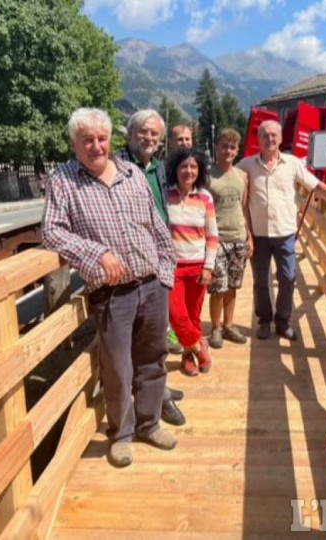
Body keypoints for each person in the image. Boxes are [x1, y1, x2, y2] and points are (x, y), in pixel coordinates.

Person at [42, 107, 177, 467]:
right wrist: (97, 254)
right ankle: (121, 434)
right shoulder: (64, 181)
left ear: (110, 140)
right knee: (118, 367)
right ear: (74, 144)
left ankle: (150, 423)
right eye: (87, 140)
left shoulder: (132, 173)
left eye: (102, 138)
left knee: (153, 358)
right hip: (112, 292)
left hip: (151, 284)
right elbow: (52, 231)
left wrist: (166, 274)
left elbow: (156, 225)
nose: (97, 146)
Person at [115, 109, 187, 427]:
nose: (148, 138)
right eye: (143, 132)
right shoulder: (118, 166)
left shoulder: (156, 167)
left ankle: (159, 389)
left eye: (155, 134)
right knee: (136, 339)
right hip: (129, 263)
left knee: (155, 335)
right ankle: (155, 400)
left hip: (157, 259)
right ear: (130, 134)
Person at [237, 120, 326, 342]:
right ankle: (265, 321)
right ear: (259, 139)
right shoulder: (246, 165)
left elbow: (315, 185)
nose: (270, 140)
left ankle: (283, 321)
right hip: (258, 234)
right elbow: (227, 178)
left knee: (288, 278)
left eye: (274, 136)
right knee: (260, 281)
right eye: (265, 136)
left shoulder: (292, 163)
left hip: (285, 233)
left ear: (280, 139)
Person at [166, 148, 219, 376]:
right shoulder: (165, 194)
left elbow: (212, 235)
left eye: (194, 167)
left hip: (198, 265)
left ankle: (187, 356)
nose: (189, 171)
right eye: (184, 166)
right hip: (172, 266)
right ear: (175, 169)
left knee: (193, 315)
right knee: (177, 315)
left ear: (199, 171)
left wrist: (209, 266)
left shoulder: (205, 197)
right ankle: (199, 347)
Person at [206, 128, 252, 348]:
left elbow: (244, 208)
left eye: (232, 147)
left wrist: (249, 236)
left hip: (238, 237)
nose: (228, 151)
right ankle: (215, 328)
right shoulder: (207, 176)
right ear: (216, 147)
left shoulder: (242, 176)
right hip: (217, 238)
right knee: (218, 286)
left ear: (237, 151)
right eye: (224, 146)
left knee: (233, 285)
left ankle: (229, 325)